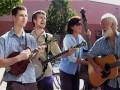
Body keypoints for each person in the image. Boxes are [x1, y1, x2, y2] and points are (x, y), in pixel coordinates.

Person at [31, 10, 75, 90]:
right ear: (34, 20)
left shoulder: (50, 37)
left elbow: (58, 55)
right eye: (41, 18)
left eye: (45, 18)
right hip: (31, 75)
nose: (43, 20)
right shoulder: (28, 37)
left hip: (46, 74)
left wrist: (68, 53)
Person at [0, 5, 39, 90]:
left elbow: (33, 60)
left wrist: (38, 54)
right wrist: (19, 57)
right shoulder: (3, 39)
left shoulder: (31, 39)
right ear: (14, 18)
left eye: (26, 15)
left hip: (31, 81)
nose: (24, 18)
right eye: (21, 15)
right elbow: (0, 63)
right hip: (14, 82)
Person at [88, 13, 120, 90]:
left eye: (104, 24)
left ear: (113, 25)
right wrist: (95, 67)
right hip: (109, 84)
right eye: (101, 24)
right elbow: (89, 55)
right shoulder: (100, 42)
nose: (102, 27)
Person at [59, 16, 89, 90]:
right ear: (72, 27)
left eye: (81, 24)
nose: (81, 26)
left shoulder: (80, 37)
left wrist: (88, 37)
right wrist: (87, 63)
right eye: (78, 24)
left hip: (76, 71)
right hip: (66, 72)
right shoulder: (67, 38)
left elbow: (86, 49)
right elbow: (72, 59)